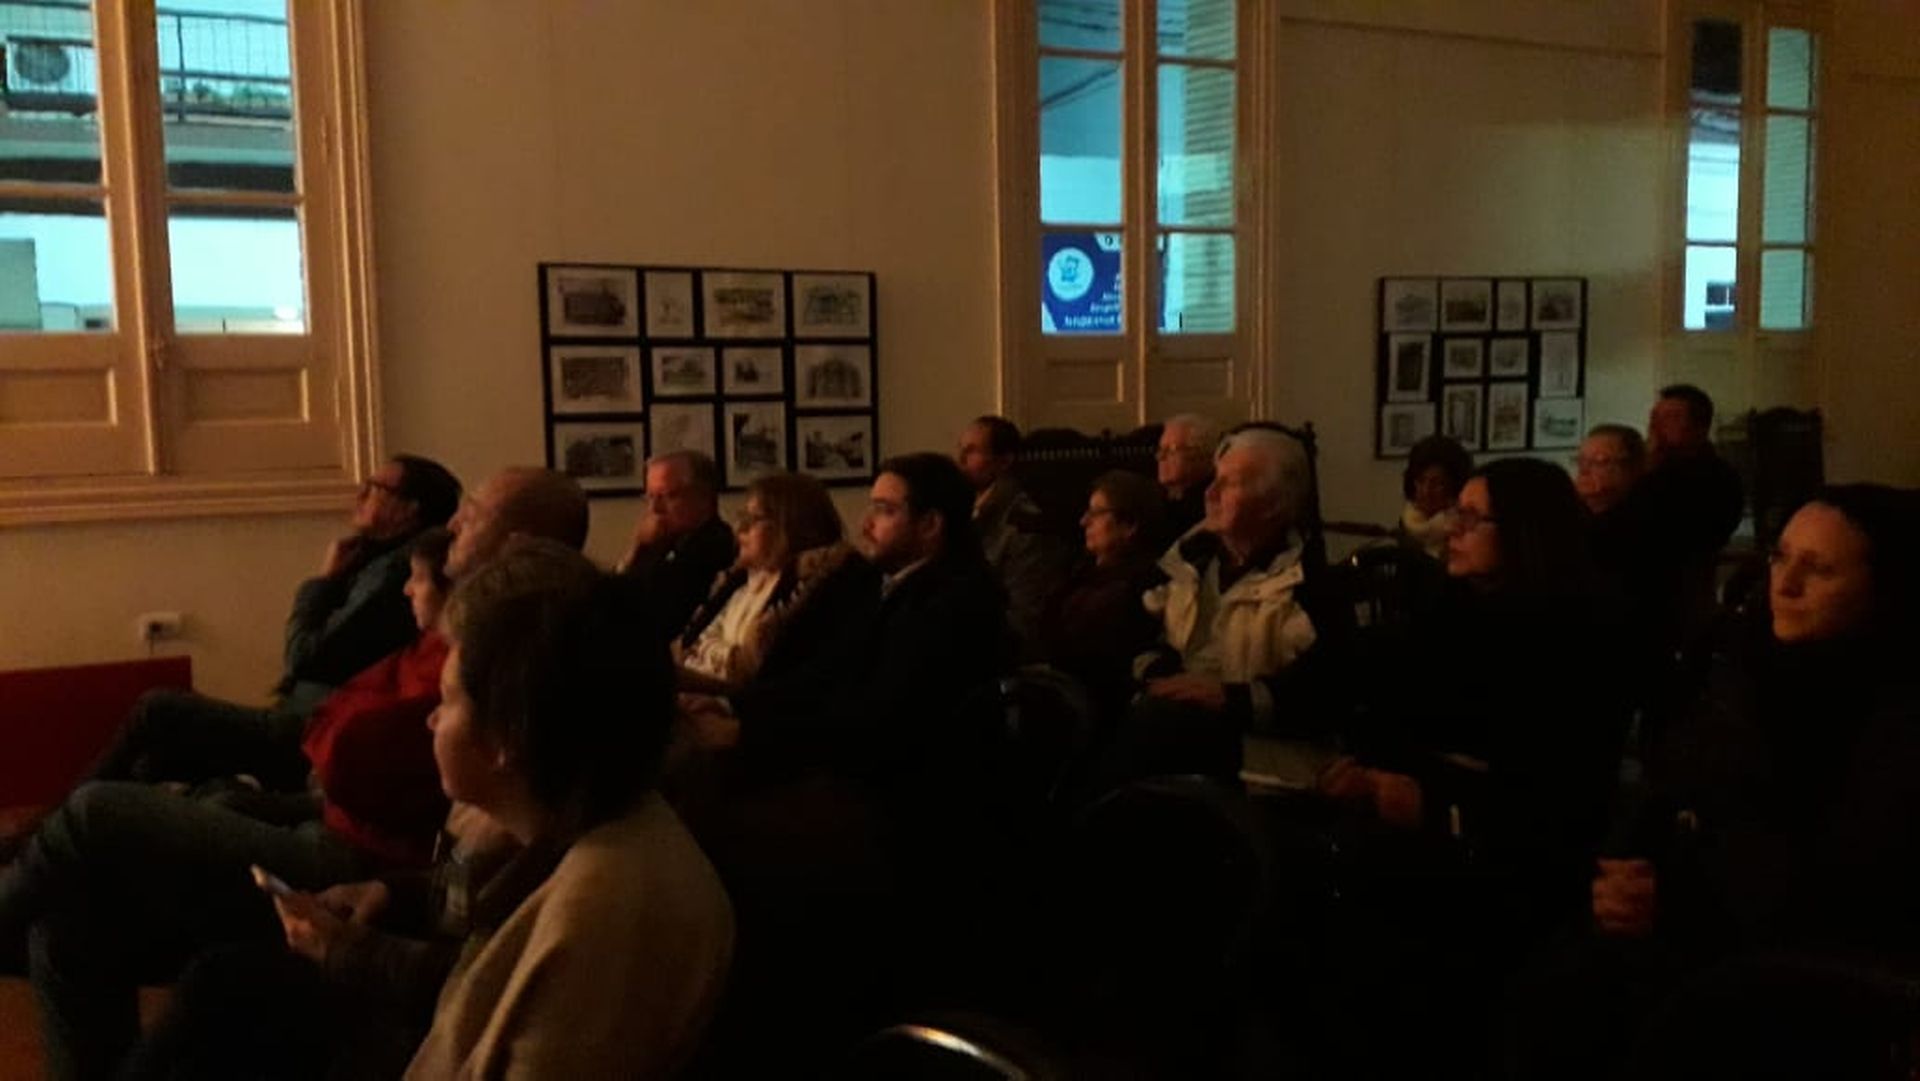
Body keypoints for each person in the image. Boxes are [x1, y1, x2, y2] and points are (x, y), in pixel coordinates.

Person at [131, 543, 736, 1080]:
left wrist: (351, 951)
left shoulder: (599, 913)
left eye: (447, 700)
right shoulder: (578, 824)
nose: (431, 719)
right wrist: (389, 893)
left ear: (506, 739)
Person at [0, 527, 462, 1081]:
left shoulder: (463, 657)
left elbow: (334, 726)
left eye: (471, 522)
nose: (457, 528)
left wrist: (330, 744)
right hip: (329, 818)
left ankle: (24, 866)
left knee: (98, 809)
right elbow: (326, 703)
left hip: (347, 854)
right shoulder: (417, 622)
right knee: (64, 928)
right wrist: (328, 580)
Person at [1505, 486, 1920, 1080]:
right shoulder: (1744, 665)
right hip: (1694, 936)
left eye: (1820, 569)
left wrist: (1678, 898)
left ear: (1885, 588)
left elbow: (1848, 884)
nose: (1786, 584)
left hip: (1803, 977)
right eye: (1780, 557)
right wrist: (1627, 870)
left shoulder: (1894, 714)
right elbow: (1668, 787)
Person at [89, 455, 461, 792]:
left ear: (409, 510)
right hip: (306, 716)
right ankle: (78, 826)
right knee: (155, 759)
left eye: (376, 487)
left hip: (312, 728)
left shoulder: (395, 573)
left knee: (157, 708)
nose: (360, 494)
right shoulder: (373, 562)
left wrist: (321, 583)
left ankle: (64, 821)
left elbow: (305, 656)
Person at [1092, 427, 1335, 786]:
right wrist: (1162, 673)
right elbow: (1133, 634)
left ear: (1273, 504)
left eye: (1230, 484)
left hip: (1263, 760)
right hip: (1176, 730)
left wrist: (1227, 698)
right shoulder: (1187, 560)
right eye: (1214, 479)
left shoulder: (1310, 585)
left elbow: (1326, 692)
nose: (1210, 493)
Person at [673, 470, 874, 698]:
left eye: (754, 519)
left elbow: (747, 668)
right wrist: (718, 655)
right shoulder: (740, 582)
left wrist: (712, 656)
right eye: (742, 516)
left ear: (790, 525)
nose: (740, 528)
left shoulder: (808, 590)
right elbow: (692, 646)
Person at [1040, 470, 1166, 720]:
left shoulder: (1137, 586)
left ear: (1129, 525)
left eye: (1096, 513)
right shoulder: (1082, 572)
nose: (1084, 521)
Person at [1629, 384, 1746, 651]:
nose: (1656, 426)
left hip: (1682, 597)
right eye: (1655, 416)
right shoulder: (1648, 468)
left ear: (1699, 427)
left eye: (1670, 417)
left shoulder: (1717, 478)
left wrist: (1648, 474)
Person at [957, 415, 1062, 660]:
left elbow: (1024, 618)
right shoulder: (965, 510)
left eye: (972, 451)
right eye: (961, 449)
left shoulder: (1025, 525)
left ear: (1004, 461)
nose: (961, 459)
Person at [617, 450, 740, 642]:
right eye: (650, 497)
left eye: (667, 496)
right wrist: (638, 546)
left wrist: (641, 550)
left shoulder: (711, 548)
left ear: (703, 498)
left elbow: (644, 616)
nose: (654, 509)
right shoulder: (666, 541)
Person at [1396, 434, 1473, 560]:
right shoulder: (1408, 524)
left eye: (1437, 483)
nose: (1426, 491)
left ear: (1455, 486)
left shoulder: (1468, 529)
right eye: (1420, 481)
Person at [1155, 413, 1219, 547]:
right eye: (1160, 449)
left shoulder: (1211, 503)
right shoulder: (1156, 500)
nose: (1160, 457)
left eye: (1171, 450)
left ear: (1202, 453)